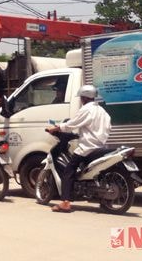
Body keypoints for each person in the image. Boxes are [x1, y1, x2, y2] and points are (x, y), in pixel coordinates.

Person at [46, 84, 111, 212]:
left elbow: (73, 123)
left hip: (88, 147)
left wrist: (56, 127)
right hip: (100, 146)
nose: (81, 100)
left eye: (81, 97)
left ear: (85, 98)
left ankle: (65, 202)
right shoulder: (102, 111)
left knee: (69, 170)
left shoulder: (87, 109)